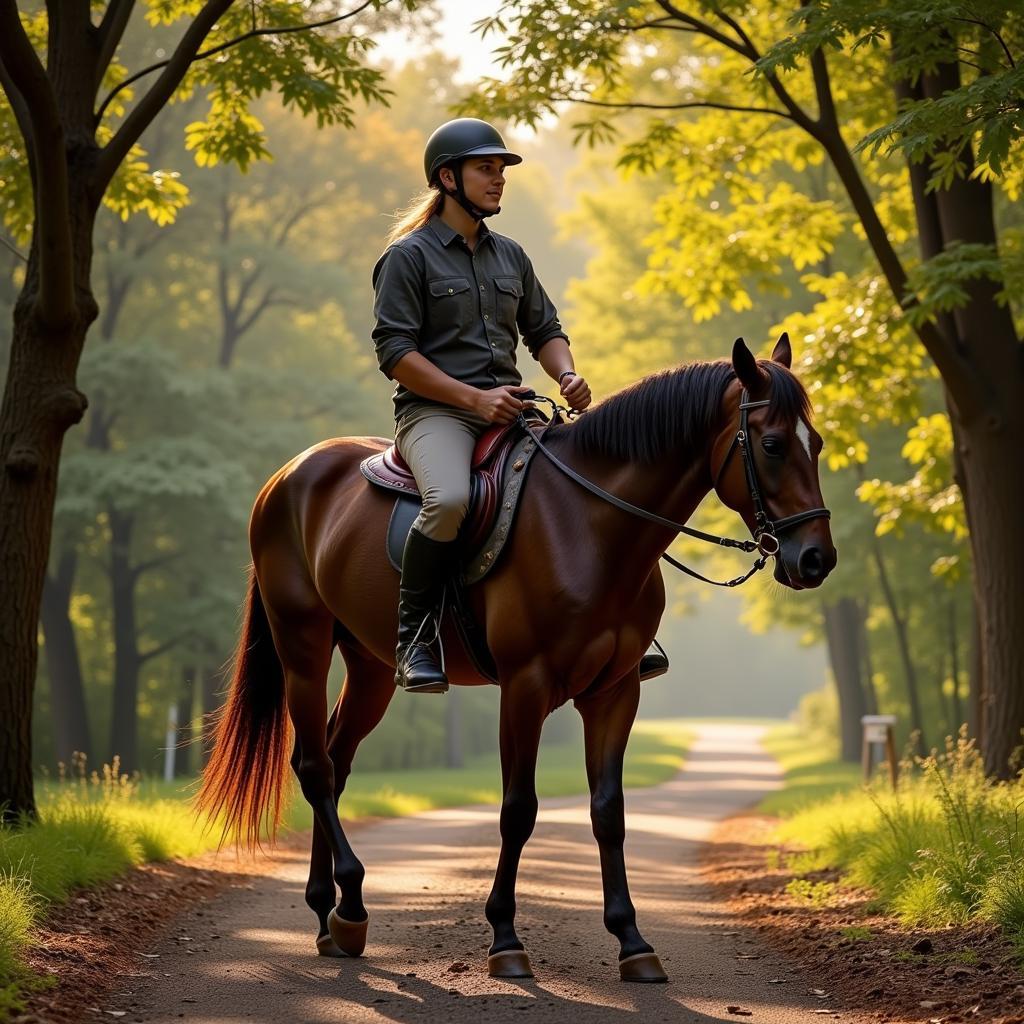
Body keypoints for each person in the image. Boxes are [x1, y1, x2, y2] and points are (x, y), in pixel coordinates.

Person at [372, 117, 667, 694]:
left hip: (513, 409)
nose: (498, 179)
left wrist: (568, 374)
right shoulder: (407, 258)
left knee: (595, 485)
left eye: (501, 169)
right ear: (447, 177)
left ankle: (627, 628)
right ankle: (414, 638)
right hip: (436, 414)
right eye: (487, 168)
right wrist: (473, 399)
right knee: (451, 498)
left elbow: (544, 329)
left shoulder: (511, 256)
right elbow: (395, 352)